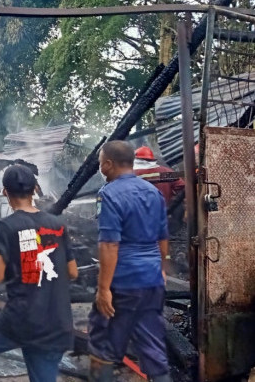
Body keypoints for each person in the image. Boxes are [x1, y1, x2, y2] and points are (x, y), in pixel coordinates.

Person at [0, 165, 78, 382]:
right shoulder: (57, 225)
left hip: (22, 319)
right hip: (57, 321)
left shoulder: (7, 227)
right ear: (35, 189)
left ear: (5, 192)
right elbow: (72, 272)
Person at [89, 141, 171, 382]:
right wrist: (161, 269)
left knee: (102, 339)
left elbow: (109, 244)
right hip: (152, 280)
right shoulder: (152, 191)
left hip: (124, 281)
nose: (99, 166)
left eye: (100, 161)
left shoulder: (109, 194)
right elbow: (162, 237)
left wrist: (104, 289)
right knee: (152, 344)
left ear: (108, 164)